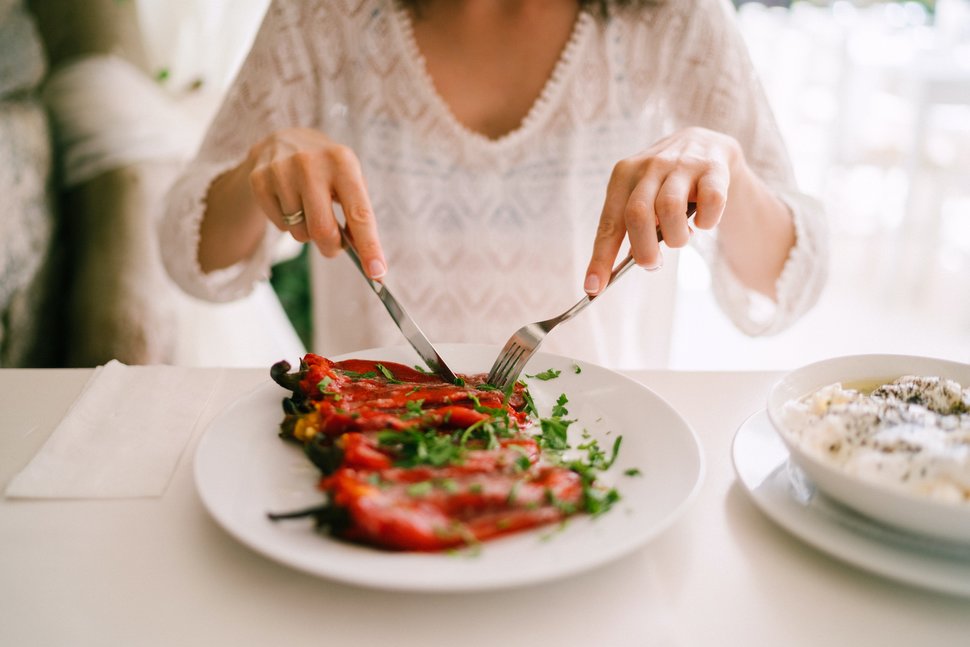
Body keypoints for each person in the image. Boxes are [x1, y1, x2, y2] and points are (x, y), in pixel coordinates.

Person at [160, 0, 827, 369]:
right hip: (368, 467)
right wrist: (262, 174)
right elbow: (191, 260)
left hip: (602, 466)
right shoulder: (321, 18)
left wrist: (727, 171)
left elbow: (788, 282)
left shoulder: (673, 21)